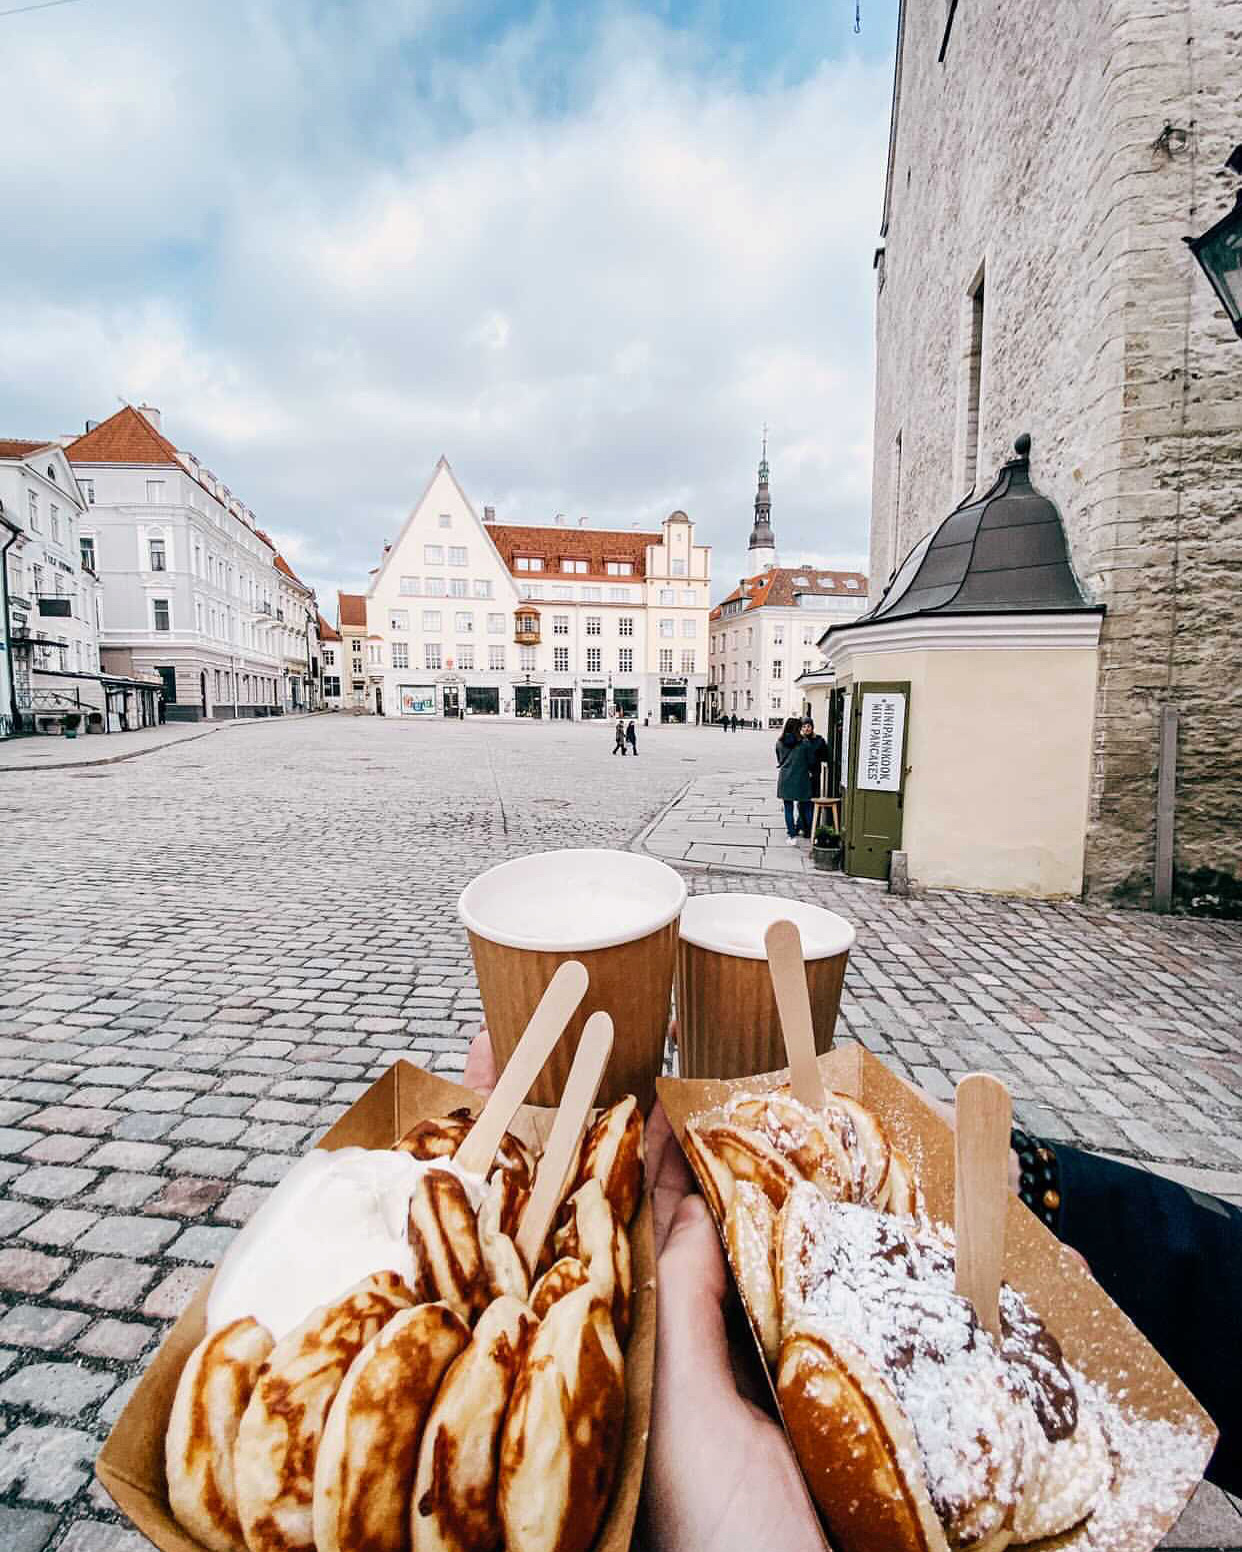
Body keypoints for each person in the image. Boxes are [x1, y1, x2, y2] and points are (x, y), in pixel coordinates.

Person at [775, 716, 815, 845]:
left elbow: (779, 759)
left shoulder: (779, 742)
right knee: (807, 806)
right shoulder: (804, 743)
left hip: (785, 778)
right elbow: (811, 761)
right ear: (798, 728)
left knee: (788, 808)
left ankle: (792, 835)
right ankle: (809, 832)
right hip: (802, 779)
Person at [800, 719, 829, 804]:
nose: (806, 729)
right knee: (802, 799)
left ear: (812, 727)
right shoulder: (799, 740)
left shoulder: (819, 740)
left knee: (814, 797)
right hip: (802, 773)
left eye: (808, 726)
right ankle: (802, 817)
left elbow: (825, 756)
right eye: (804, 726)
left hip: (815, 773)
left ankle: (814, 816)